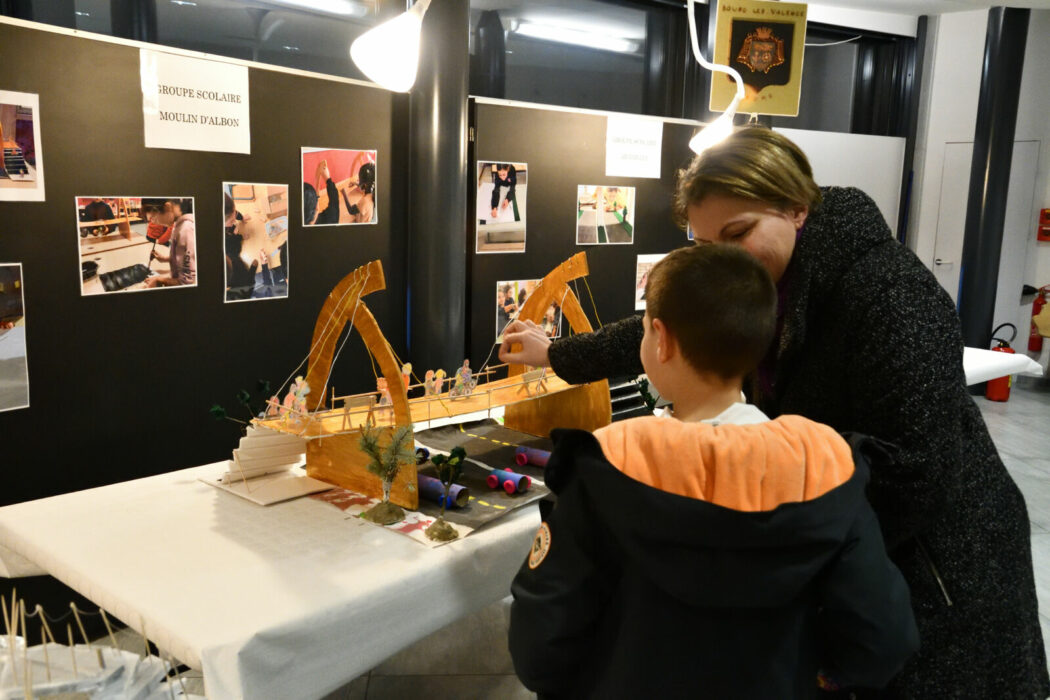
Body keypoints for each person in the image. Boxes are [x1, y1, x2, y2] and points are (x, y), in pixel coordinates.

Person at [500, 126, 1050, 698]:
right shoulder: (769, 279)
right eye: (707, 246)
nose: (724, 261)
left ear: (796, 207)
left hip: (938, 575)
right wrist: (558, 352)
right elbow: (677, 321)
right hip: (852, 564)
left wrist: (786, 554)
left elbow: (915, 473)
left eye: (738, 233)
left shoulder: (889, 293)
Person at [509, 244, 918, 697]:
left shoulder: (609, 465)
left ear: (661, 339)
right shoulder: (824, 466)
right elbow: (881, 641)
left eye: (644, 330)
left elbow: (540, 643)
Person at [144, 198, 195, 288]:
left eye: (153, 217)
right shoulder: (178, 225)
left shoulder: (186, 229)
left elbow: (188, 282)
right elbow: (183, 257)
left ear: (167, 208)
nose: (154, 222)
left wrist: (160, 279)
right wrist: (165, 258)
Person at [223, 191, 256, 301]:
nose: (234, 221)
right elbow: (233, 248)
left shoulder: (229, 210)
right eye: (231, 221)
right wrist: (238, 236)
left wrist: (241, 218)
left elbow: (234, 213)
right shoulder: (226, 241)